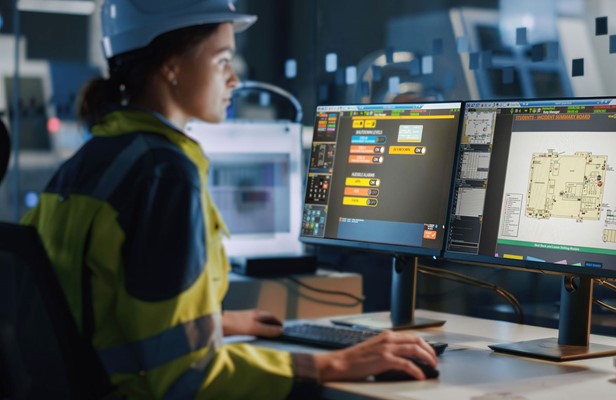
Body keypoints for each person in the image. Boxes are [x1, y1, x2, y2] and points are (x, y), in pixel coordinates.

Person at [21, 0, 437, 398]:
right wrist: (334, 365)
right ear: (172, 68)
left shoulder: (91, 159)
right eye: (222, 60)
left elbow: (93, 313)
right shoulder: (164, 174)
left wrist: (216, 323)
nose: (233, 79)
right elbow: (188, 378)